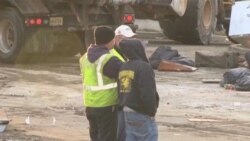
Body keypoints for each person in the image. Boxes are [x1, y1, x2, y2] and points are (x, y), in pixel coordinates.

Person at [79, 26, 123, 141]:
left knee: (95, 136)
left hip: (90, 105)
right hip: (106, 105)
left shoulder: (84, 57)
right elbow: (125, 73)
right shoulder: (109, 60)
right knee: (107, 137)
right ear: (110, 41)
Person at [118, 39, 159, 141]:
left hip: (127, 111)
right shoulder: (144, 67)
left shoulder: (124, 66)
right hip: (141, 112)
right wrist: (151, 111)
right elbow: (147, 93)